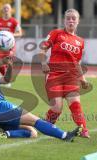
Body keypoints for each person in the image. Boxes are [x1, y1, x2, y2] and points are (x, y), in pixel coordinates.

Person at [0, 24, 79, 142]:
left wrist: (10, 66)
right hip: (0, 107)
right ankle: (65, 135)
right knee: (36, 121)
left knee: (32, 132)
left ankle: (6, 134)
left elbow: (6, 80)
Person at [38, 9, 90, 138]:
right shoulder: (56, 33)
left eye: (73, 18)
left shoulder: (80, 41)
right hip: (54, 75)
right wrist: (43, 63)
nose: (70, 21)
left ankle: (83, 130)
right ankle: (46, 127)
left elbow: (77, 63)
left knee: (75, 104)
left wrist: (82, 79)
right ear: (64, 20)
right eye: (68, 18)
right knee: (57, 108)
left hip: (71, 77)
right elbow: (43, 49)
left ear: (78, 21)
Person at [0, 3, 22, 77]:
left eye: (8, 8)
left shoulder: (14, 21)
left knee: (8, 62)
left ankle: (8, 77)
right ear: (2, 10)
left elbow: (20, 33)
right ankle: (6, 77)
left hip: (10, 45)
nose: (6, 9)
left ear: (10, 10)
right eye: (5, 8)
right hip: (0, 46)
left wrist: (11, 35)